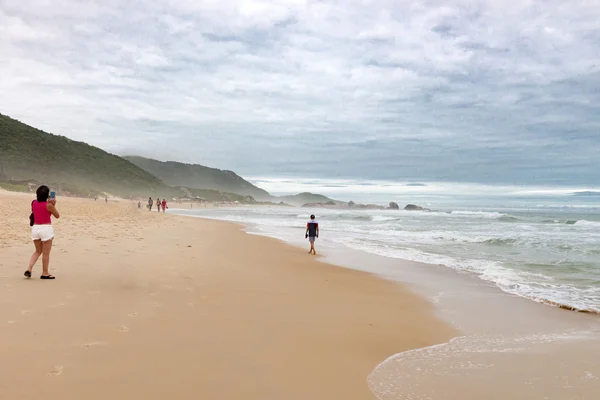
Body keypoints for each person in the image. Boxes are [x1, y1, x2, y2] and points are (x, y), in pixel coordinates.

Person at [25, 185, 60, 279]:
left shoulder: (33, 203)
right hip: (46, 229)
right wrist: (53, 205)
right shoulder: (48, 205)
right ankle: (45, 273)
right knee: (46, 253)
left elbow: (39, 211)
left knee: (37, 251)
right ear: (47, 195)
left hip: (35, 228)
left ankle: (29, 268)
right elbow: (57, 215)